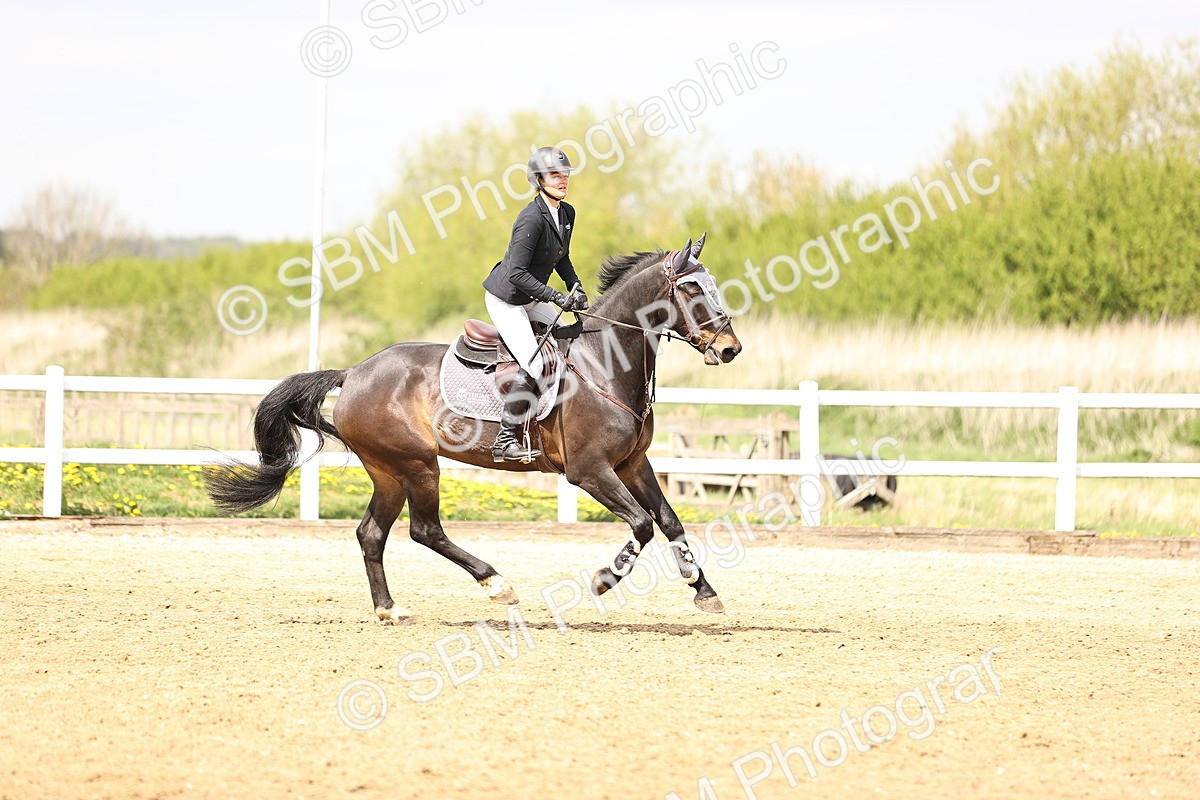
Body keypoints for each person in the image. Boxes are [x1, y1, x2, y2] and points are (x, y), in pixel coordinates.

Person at [482, 145, 589, 462]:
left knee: (570, 336)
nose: (563, 180)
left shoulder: (566, 213)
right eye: (555, 175)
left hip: (531, 297)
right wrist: (556, 296)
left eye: (565, 174)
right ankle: (505, 438)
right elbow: (516, 274)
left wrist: (574, 285)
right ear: (538, 180)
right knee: (536, 363)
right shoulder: (530, 219)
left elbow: (562, 257)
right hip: (508, 300)